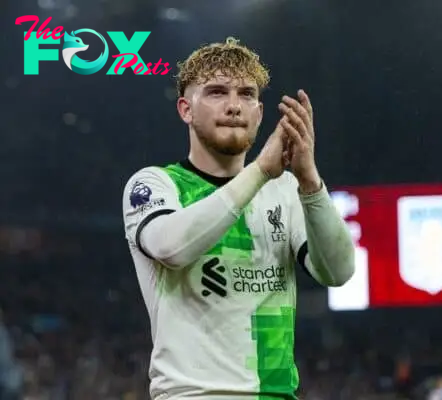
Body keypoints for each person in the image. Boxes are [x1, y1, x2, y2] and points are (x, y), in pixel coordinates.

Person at [121, 37, 355, 400]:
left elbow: (338, 272)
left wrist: (310, 182)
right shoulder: (155, 184)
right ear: (185, 109)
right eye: (216, 92)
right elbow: (171, 248)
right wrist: (261, 169)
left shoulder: (286, 191)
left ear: (260, 113)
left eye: (246, 94)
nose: (234, 106)